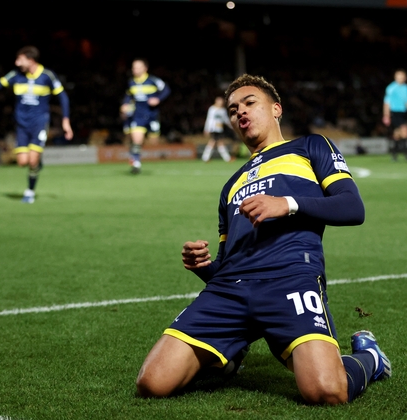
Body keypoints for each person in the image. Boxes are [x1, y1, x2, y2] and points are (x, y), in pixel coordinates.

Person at [136, 75, 391, 405]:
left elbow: (352, 207)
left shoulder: (310, 146)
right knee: (152, 383)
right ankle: (227, 355)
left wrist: (287, 204)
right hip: (229, 289)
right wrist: (203, 266)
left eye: (249, 102)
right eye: (232, 109)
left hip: (290, 278)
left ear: (276, 109)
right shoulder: (231, 184)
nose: (240, 111)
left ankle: (370, 358)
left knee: (327, 391)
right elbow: (225, 267)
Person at [0, 46, 72, 203]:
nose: (17, 62)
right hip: (21, 124)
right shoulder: (16, 75)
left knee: (31, 161)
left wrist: (65, 120)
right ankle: (37, 162)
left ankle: (29, 192)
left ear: (30, 60)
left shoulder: (47, 76)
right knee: (22, 162)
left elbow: (63, 96)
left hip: (39, 122)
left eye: (20, 59)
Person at [120, 58, 170, 174]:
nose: (134, 70)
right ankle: (136, 163)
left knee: (154, 141)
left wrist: (158, 99)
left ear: (145, 68)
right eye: (133, 67)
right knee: (137, 139)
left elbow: (166, 89)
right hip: (138, 115)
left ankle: (135, 153)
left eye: (137, 67)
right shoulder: (131, 82)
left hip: (152, 115)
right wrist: (125, 104)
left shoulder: (153, 80)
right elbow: (128, 96)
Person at [382, 69, 407, 162]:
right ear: (395, 77)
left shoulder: (406, 88)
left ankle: (394, 155)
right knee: (405, 131)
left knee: (397, 135)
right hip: (395, 113)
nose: (401, 78)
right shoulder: (391, 88)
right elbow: (387, 103)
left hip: (403, 113)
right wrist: (386, 115)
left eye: (402, 76)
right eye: (399, 76)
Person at [201, 95, 233, 162]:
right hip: (213, 128)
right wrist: (206, 129)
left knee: (216, 142)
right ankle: (227, 158)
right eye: (219, 101)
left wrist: (231, 126)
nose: (220, 103)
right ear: (216, 101)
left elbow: (225, 120)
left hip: (220, 129)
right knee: (216, 142)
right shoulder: (212, 109)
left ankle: (205, 158)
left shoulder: (222, 110)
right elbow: (209, 119)